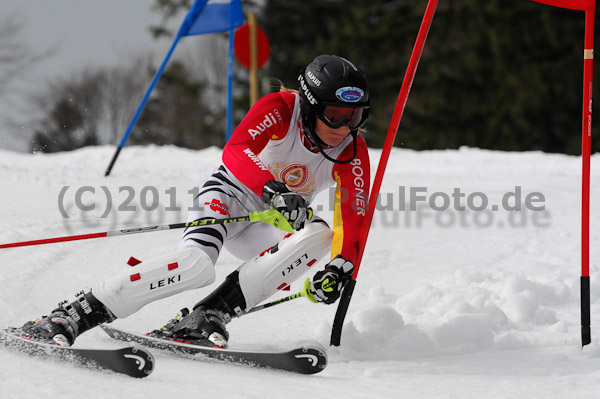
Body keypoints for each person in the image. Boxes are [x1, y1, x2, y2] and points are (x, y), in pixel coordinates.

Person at [17, 54, 371, 348]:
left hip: (267, 225)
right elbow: (236, 150)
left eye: (354, 117)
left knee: (320, 235)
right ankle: (74, 314)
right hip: (228, 198)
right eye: (335, 115)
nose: (344, 127)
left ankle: (207, 315)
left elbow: (354, 214)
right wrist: (272, 189)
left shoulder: (352, 151)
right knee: (196, 265)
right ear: (310, 106)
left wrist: (341, 266)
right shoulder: (280, 109)